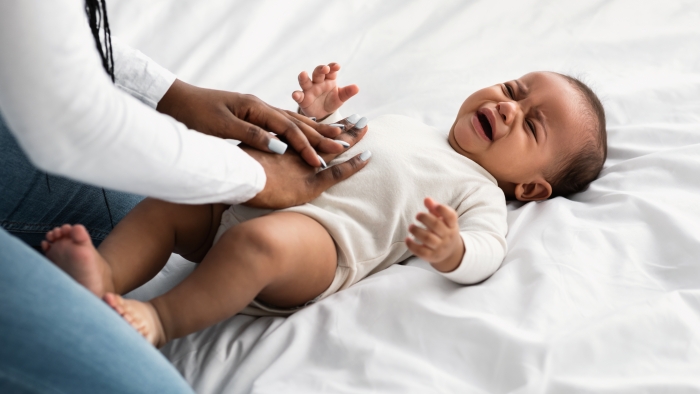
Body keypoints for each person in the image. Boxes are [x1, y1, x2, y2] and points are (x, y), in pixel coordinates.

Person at [42, 62, 607, 348]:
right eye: (513, 89)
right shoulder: (408, 123)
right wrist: (315, 116)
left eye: (531, 125)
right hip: (256, 193)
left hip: (318, 246)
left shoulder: (479, 190)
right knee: (177, 194)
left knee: (256, 243)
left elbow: (488, 250)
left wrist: (453, 248)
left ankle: (159, 318)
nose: (508, 107)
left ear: (531, 189)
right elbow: (320, 147)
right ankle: (105, 272)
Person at [0, 1, 369, 392]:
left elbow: (38, 37)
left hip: (327, 234)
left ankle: (154, 313)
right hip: (272, 199)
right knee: (167, 205)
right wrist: (254, 171)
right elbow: (69, 122)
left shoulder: (444, 172)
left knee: (233, 233)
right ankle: (129, 296)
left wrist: (173, 94)